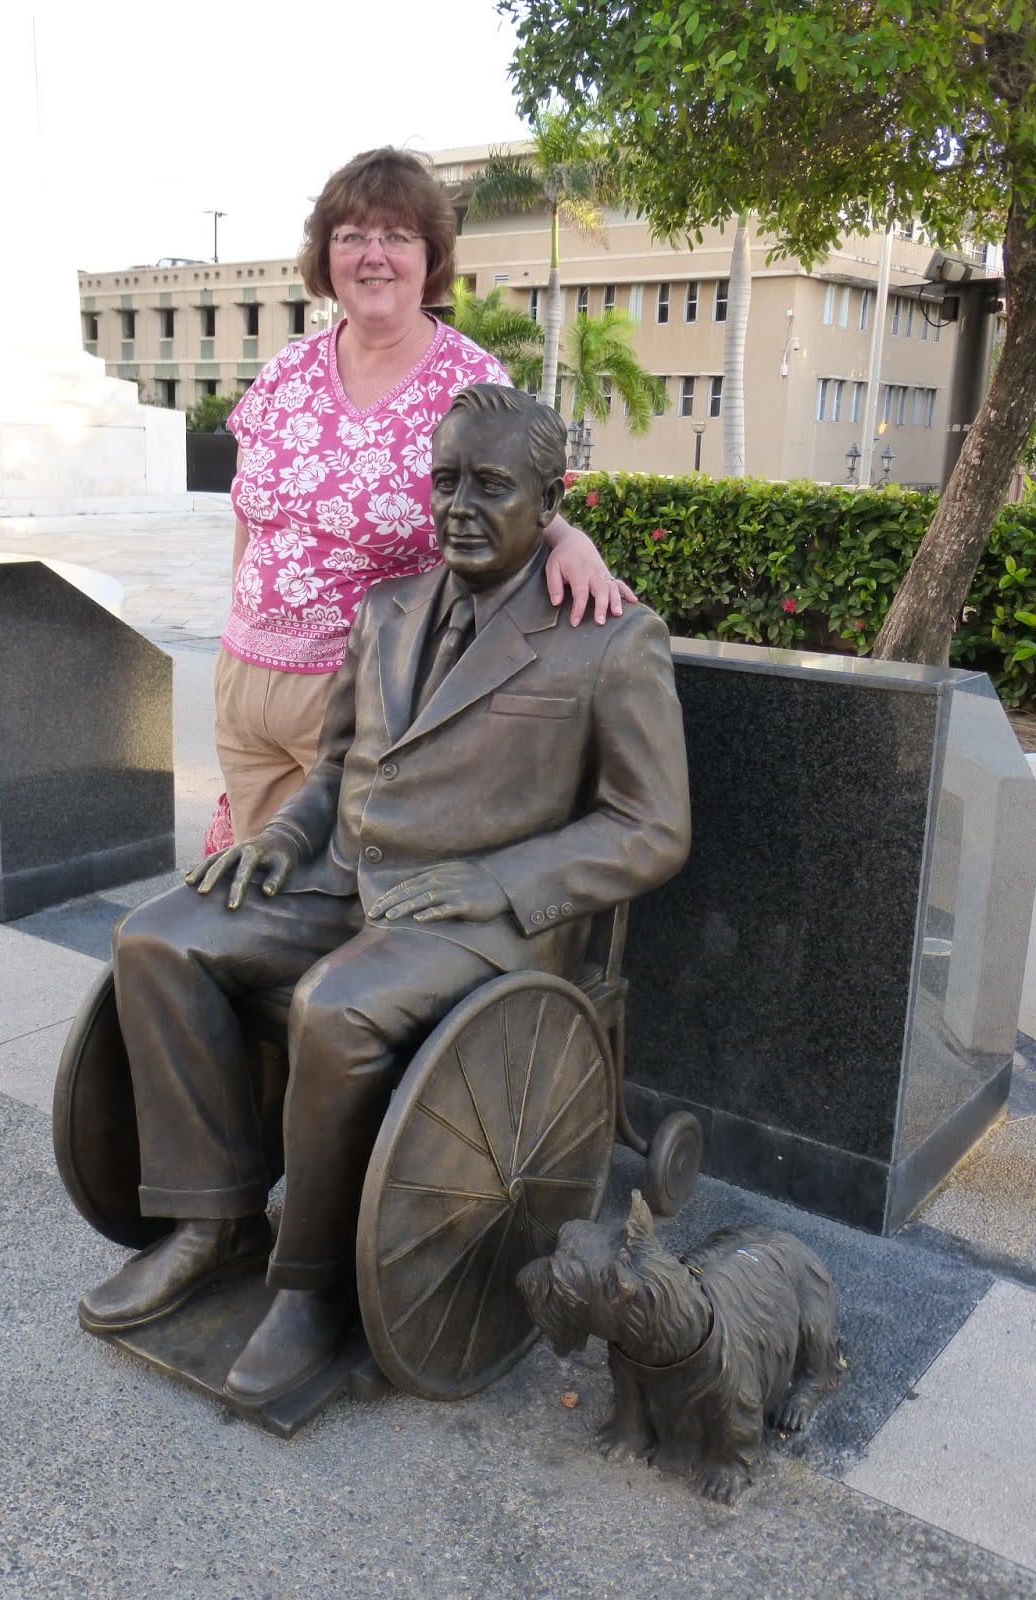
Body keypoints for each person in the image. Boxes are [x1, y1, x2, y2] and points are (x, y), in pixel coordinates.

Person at [78, 385, 691, 1406]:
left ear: (552, 498)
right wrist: (282, 833)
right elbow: (333, 766)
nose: (458, 504)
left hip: (486, 918)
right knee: (155, 938)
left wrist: (499, 878)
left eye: (490, 485)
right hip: (344, 876)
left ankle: (310, 1291)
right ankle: (213, 1218)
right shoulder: (388, 609)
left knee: (336, 1003)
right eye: (445, 479)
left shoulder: (610, 638)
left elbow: (653, 826)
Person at [209, 146, 632, 846]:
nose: (373, 255)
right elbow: (250, 522)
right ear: (326, 255)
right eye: (351, 237)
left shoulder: (469, 381)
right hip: (245, 684)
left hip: (365, 696)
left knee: (343, 901)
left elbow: (514, 495)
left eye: (397, 236)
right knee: (255, 898)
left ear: (430, 256)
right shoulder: (286, 372)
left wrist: (572, 540)